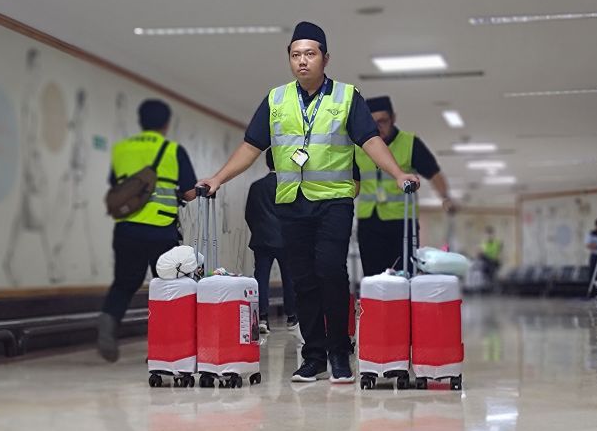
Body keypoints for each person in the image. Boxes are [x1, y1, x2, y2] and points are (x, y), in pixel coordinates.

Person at [196, 21, 420, 384]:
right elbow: (251, 147)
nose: (302, 61)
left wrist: (397, 173)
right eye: (296, 55)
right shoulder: (276, 99)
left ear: (325, 58)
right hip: (291, 202)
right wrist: (218, 178)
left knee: (330, 270)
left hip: (334, 201)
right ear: (289, 58)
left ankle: (339, 352)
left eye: (310, 54)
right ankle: (313, 356)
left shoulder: (346, 97)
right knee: (303, 279)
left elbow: (369, 140)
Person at [97, 99, 197, 362]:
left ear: (140, 121)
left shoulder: (122, 149)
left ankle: (108, 321)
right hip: (161, 230)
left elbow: (116, 184)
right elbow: (189, 192)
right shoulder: (173, 150)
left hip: (126, 229)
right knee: (168, 287)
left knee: (124, 283)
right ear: (166, 124)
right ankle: (163, 347)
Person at [355, 96, 454, 276]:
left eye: (383, 121)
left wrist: (446, 198)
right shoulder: (359, 146)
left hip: (401, 222)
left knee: (404, 274)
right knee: (373, 277)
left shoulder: (410, 143)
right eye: (373, 122)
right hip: (369, 221)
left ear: (393, 118)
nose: (378, 127)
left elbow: (434, 173)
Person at [245, 149, 299, 333]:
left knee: (261, 278)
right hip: (286, 240)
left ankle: (262, 318)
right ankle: (292, 317)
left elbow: (249, 214)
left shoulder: (256, 187)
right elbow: (296, 214)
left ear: (267, 163)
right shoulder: (290, 186)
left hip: (262, 240)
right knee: (290, 278)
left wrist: (259, 231)